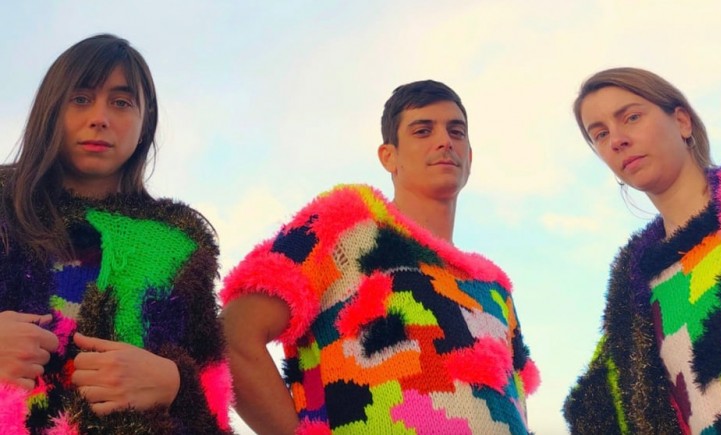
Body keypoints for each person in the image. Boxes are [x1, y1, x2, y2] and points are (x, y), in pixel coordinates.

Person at [221, 80, 539, 434]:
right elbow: (232, 337)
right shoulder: (342, 226)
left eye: (456, 131)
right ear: (389, 156)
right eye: (423, 130)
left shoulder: (494, 288)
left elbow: (517, 409)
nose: (445, 141)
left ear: (470, 157)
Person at [0, 34, 232, 434]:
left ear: (145, 121)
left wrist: (176, 385)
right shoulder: (6, 207)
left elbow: (215, 391)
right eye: (80, 98)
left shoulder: (179, 242)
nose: (100, 117)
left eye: (121, 102)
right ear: (51, 109)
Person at [563, 67, 721, 434]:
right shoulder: (633, 294)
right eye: (600, 134)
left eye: (631, 117)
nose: (617, 140)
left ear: (682, 121)